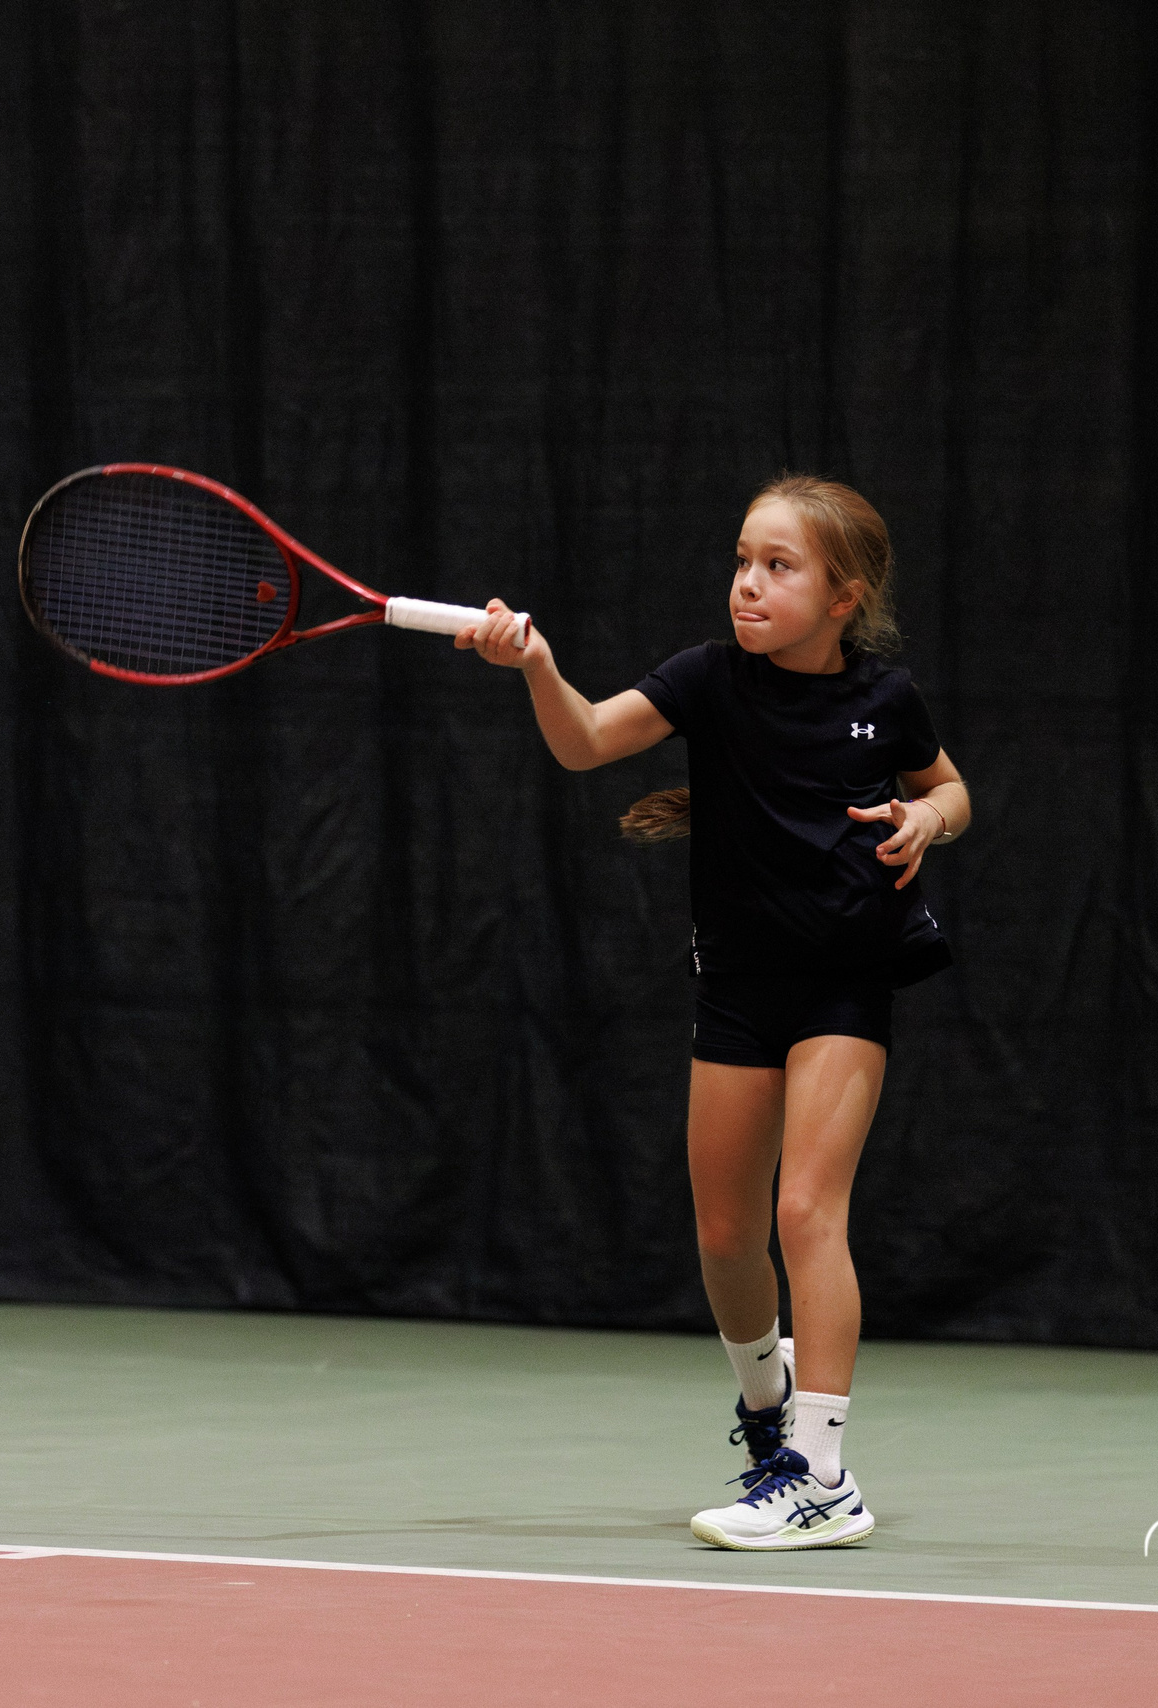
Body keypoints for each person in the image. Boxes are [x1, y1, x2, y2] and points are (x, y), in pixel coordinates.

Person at [457, 473, 969, 1551]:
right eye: (742, 560)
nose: (747, 583)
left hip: (845, 978)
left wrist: (926, 818)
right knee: (727, 1234)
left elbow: (952, 787)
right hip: (736, 982)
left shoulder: (886, 695)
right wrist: (538, 665)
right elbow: (586, 739)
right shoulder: (706, 680)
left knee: (803, 1214)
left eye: (778, 566)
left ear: (843, 595)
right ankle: (766, 1417)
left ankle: (823, 1478)